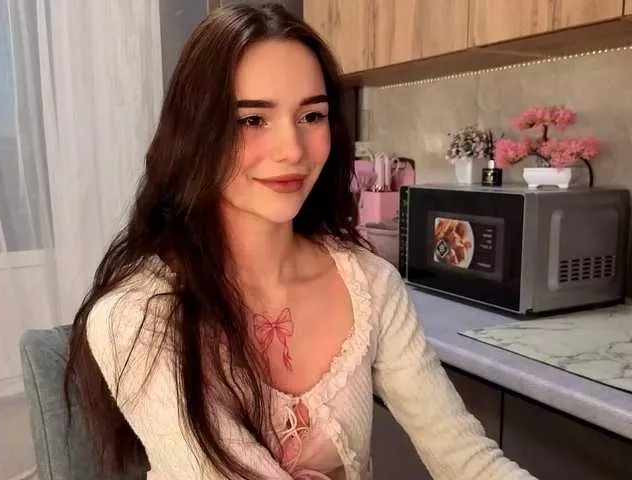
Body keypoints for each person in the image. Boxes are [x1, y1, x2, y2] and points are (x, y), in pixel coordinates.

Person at [64, 4, 535, 480]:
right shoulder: (136, 315)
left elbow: (467, 460)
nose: (292, 150)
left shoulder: (370, 285)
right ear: (195, 132)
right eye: (252, 120)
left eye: (312, 115)